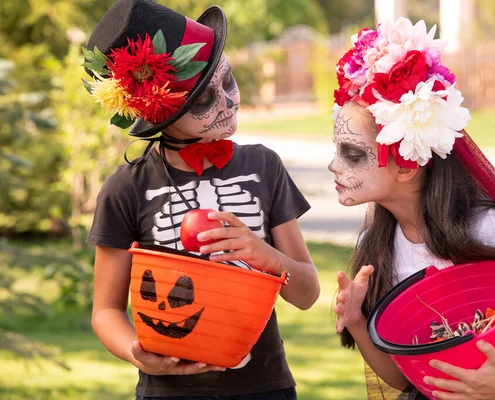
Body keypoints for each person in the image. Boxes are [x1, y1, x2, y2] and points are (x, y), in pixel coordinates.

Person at [329, 18, 495, 400]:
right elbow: (406, 379)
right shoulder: (379, 243)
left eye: (352, 154)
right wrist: (357, 321)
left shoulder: (485, 230)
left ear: (407, 165)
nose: (333, 166)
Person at [83, 1, 319, 399]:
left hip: (264, 387)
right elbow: (105, 310)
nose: (226, 102)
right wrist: (136, 353)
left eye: (228, 82)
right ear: (162, 114)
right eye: (203, 101)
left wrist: (267, 257)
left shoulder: (264, 165)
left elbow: (307, 292)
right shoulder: (127, 188)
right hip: (169, 391)